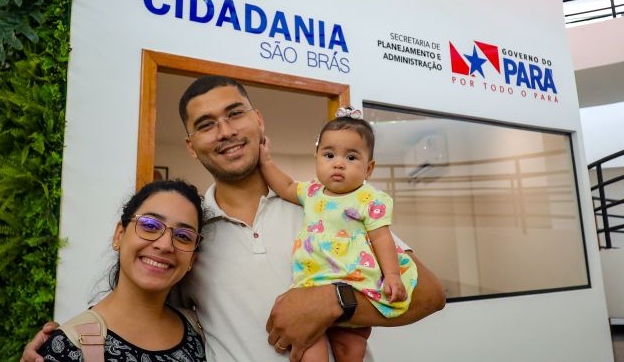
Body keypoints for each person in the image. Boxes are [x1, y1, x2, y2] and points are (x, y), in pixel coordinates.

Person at [23, 76, 445, 362]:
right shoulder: (188, 237)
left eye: (235, 114)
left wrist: (336, 300)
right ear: (191, 146)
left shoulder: (325, 204)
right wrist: (70, 342)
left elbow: (428, 295)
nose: (224, 131)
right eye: (206, 125)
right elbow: (139, 303)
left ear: (258, 121)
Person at [258, 107, 417, 362]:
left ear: (369, 168)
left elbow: (381, 238)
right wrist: (266, 161)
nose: (339, 163)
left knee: (352, 350)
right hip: (313, 283)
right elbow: (285, 185)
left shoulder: (369, 198)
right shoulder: (311, 193)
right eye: (329, 155)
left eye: (352, 157)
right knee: (311, 348)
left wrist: (392, 275)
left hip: (354, 284)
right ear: (317, 158)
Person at [36, 180, 206, 361]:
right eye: (150, 225)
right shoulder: (67, 347)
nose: (164, 245)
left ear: (191, 260)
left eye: (183, 236)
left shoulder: (201, 332)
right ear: (119, 235)